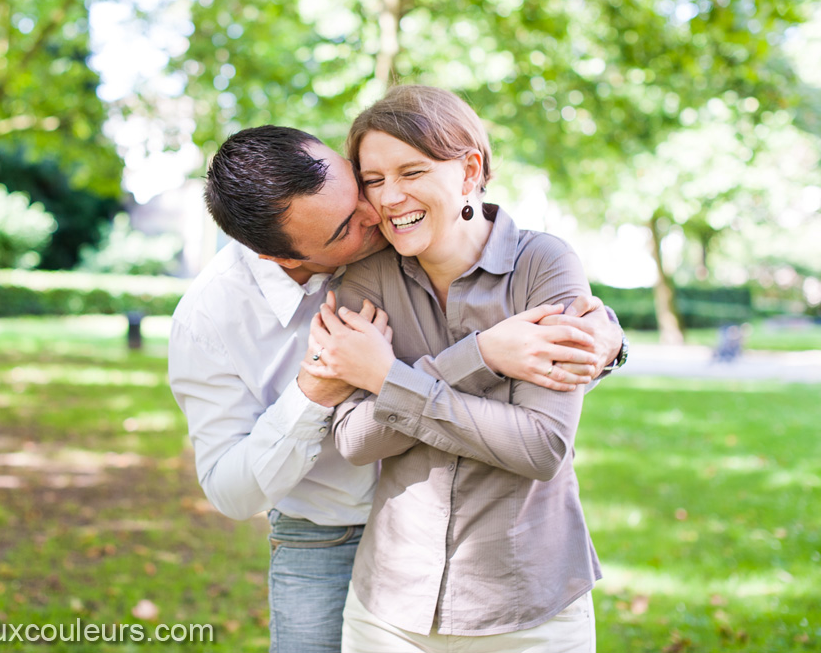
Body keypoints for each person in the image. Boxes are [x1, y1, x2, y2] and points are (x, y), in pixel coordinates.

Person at [168, 125, 625, 653]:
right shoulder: (210, 320)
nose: (378, 211)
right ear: (284, 258)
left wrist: (601, 338)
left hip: (469, 527)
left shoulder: (402, 230)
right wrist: (313, 390)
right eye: (346, 227)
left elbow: (501, 278)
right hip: (329, 538)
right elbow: (230, 490)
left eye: (359, 185)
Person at [302, 85, 611, 652]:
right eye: (374, 180)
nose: (391, 197)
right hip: (389, 611)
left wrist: (388, 379)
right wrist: (483, 356)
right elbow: (356, 439)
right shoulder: (368, 280)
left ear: (468, 171)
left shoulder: (542, 264)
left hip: (530, 608)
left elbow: (541, 447)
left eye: (411, 172)